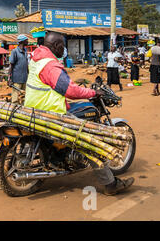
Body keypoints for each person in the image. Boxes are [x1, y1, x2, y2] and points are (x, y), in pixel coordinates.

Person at [24, 32, 134, 195]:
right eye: (63, 45)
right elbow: (69, 90)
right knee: (89, 143)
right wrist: (92, 93)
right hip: (52, 112)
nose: (65, 49)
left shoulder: (37, 57)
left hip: (34, 107)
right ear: (56, 46)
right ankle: (110, 184)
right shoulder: (50, 65)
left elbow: (56, 84)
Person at [8, 35, 29, 104]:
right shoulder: (15, 52)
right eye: (26, 40)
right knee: (15, 99)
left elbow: (26, 65)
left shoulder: (25, 51)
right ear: (22, 41)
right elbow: (11, 65)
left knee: (24, 97)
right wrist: (9, 79)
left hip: (25, 79)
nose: (28, 42)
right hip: (16, 79)